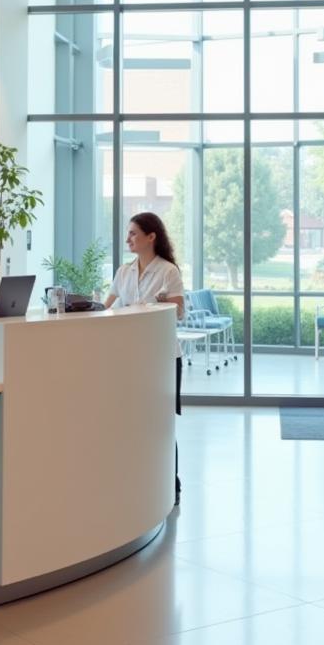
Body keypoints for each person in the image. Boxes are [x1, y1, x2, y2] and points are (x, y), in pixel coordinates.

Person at [104, 212, 185, 505]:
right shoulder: (123, 272)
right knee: (132, 421)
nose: (128, 239)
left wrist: (161, 301)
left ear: (152, 237)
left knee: (161, 424)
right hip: (130, 359)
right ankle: (138, 485)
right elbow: (106, 307)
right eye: (128, 234)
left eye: (134, 233)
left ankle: (170, 486)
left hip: (163, 358)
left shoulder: (168, 272)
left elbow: (179, 311)